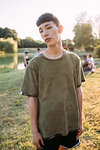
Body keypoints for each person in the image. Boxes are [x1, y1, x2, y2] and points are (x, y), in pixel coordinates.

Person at [20, 13, 85, 150]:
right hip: (47, 129)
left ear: (60, 29)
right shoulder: (34, 64)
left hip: (70, 124)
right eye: (41, 31)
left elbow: (78, 90)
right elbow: (33, 99)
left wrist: (80, 121)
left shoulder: (74, 60)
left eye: (48, 28)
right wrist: (35, 131)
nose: (44, 34)